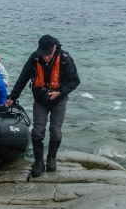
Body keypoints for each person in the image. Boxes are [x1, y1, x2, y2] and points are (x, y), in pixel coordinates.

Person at [5, 35, 80, 177]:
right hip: (40, 99)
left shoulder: (65, 59)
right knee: (37, 130)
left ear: (55, 48)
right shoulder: (35, 58)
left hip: (59, 99)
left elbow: (75, 81)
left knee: (55, 131)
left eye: (48, 54)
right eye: (43, 54)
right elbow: (23, 77)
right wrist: (13, 97)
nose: (45, 57)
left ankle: (51, 158)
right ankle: (38, 161)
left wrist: (60, 92)